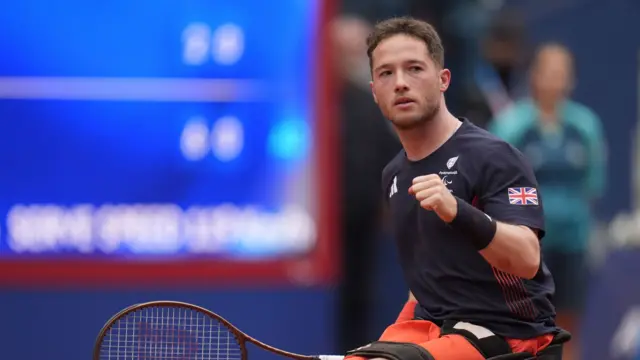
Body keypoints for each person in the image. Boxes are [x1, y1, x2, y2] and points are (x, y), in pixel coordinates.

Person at [344, 17, 560, 360]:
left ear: (443, 79)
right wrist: (390, 342)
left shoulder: (494, 157)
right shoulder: (394, 175)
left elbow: (527, 258)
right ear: (374, 91)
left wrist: (458, 211)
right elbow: (426, 282)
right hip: (438, 329)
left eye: (414, 68)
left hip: (509, 336)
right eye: (386, 73)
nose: (400, 83)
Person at [489, 43, 606, 360]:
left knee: (568, 325)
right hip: (526, 246)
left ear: (572, 79)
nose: (556, 78)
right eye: (549, 70)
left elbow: (592, 185)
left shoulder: (586, 126)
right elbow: (493, 186)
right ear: (534, 76)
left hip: (572, 243)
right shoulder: (512, 125)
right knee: (525, 329)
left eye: (563, 72)